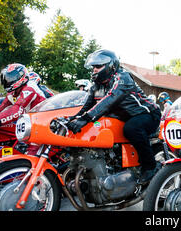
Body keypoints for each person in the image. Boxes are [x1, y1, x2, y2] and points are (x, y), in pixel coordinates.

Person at [66, 49, 162, 184]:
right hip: (126, 117)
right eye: (93, 67)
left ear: (110, 65)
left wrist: (85, 118)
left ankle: (150, 166)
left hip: (148, 114)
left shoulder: (122, 77)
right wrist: (71, 119)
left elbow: (110, 99)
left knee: (131, 128)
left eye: (98, 66)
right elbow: (86, 107)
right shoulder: (96, 86)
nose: (94, 70)